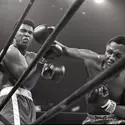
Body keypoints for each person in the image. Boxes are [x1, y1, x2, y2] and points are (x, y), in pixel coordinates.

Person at [47, 35, 125, 124]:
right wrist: (46, 38)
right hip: (90, 120)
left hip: (116, 121)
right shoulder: (92, 60)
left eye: (118, 55)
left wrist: (106, 104)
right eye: (109, 52)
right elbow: (65, 50)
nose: (111, 57)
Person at [0, 19, 65, 125]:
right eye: (23, 31)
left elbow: (43, 72)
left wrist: (52, 71)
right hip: (11, 99)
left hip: (28, 101)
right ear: (14, 34)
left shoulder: (32, 56)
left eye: (30, 32)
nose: (27, 35)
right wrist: (43, 59)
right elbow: (26, 82)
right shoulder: (9, 51)